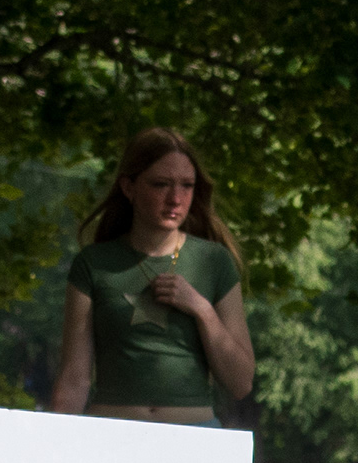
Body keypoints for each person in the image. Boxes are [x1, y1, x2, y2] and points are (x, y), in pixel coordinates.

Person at [51, 128, 253, 424]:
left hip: (193, 441)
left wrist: (202, 310)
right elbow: (74, 379)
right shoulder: (93, 264)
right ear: (129, 187)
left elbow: (241, 383)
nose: (175, 198)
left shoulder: (214, 261)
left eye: (187, 185)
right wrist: (55, 450)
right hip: (112, 436)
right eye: (161, 184)